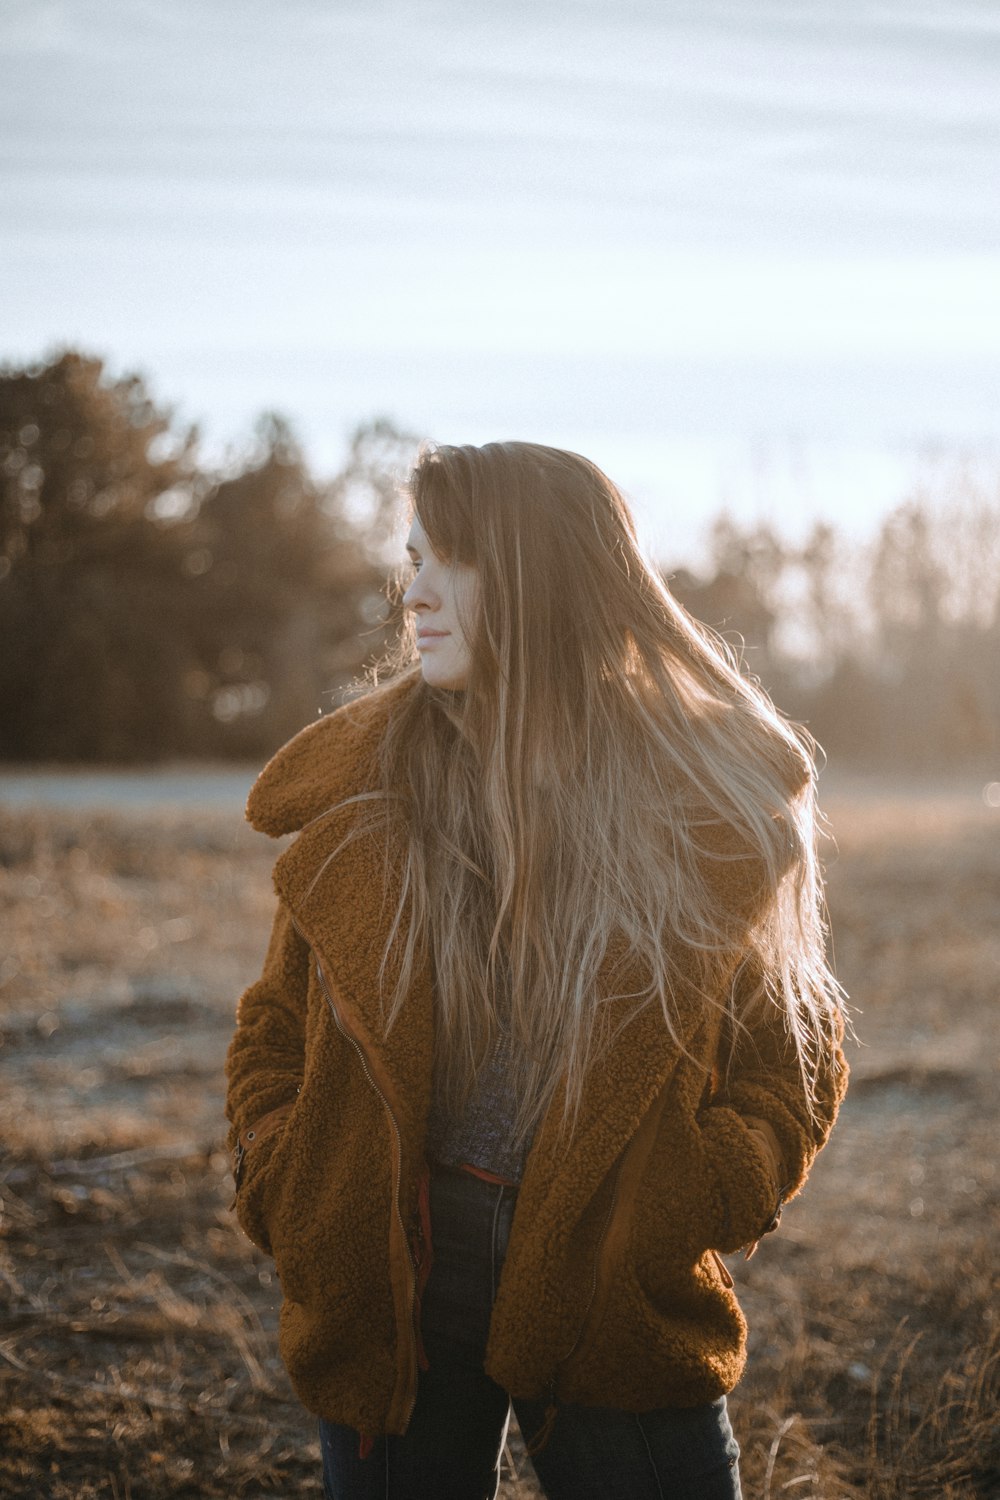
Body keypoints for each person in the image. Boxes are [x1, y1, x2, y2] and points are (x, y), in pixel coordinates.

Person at [225, 441, 848, 1500]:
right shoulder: (366, 797)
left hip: (617, 1277)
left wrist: (691, 1197)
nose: (410, 593)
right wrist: (288, 1176)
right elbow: (275, 1024)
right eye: (410, 559)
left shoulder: (696, 810)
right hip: (394, 1274)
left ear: (544, 577)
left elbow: (794, 1045)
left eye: (448, 561)